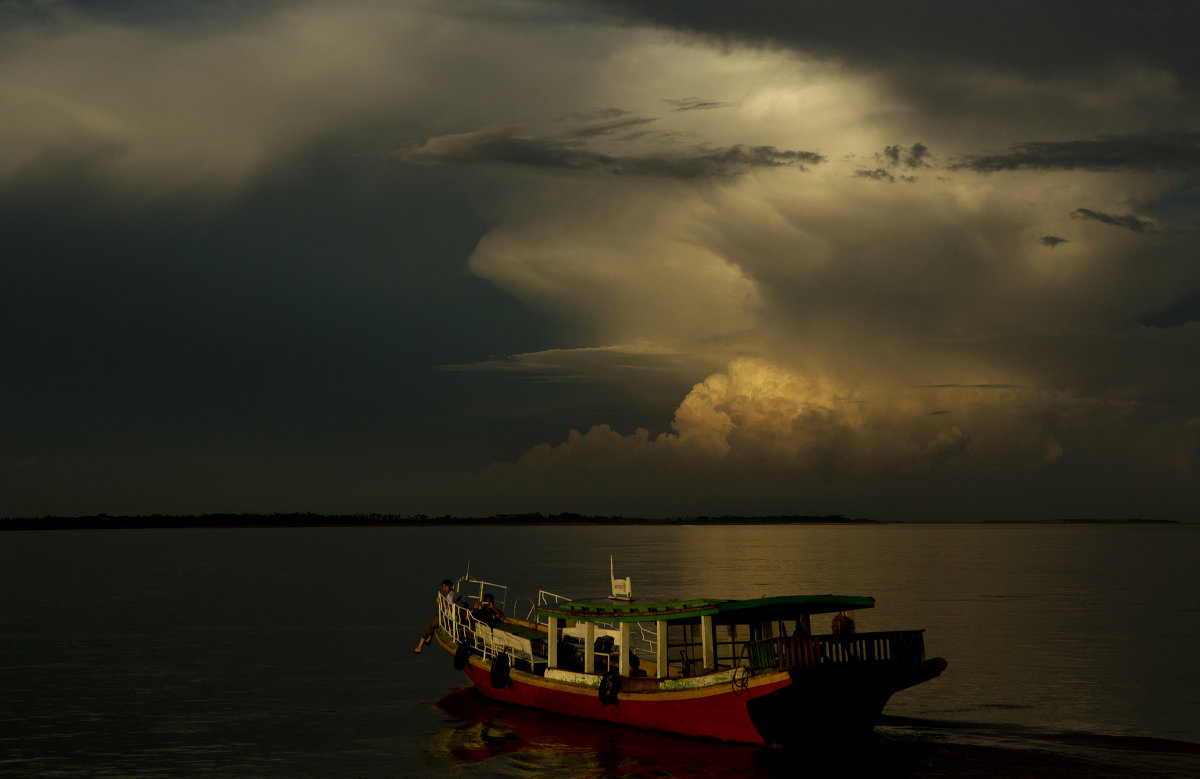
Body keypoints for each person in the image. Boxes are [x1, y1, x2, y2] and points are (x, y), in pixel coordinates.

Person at [412, 579, 466, 654]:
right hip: (456, 618)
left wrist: (440, 603)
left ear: (450, 586)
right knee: (435, 618)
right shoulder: (458, 594)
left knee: (429, 625)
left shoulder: (450, 595)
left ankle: (419, 647)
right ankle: (429, 638)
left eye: (446, 587)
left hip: (450, 619)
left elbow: (450, 607)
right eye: (443, 587)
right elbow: (466, 604)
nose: (444, 589)